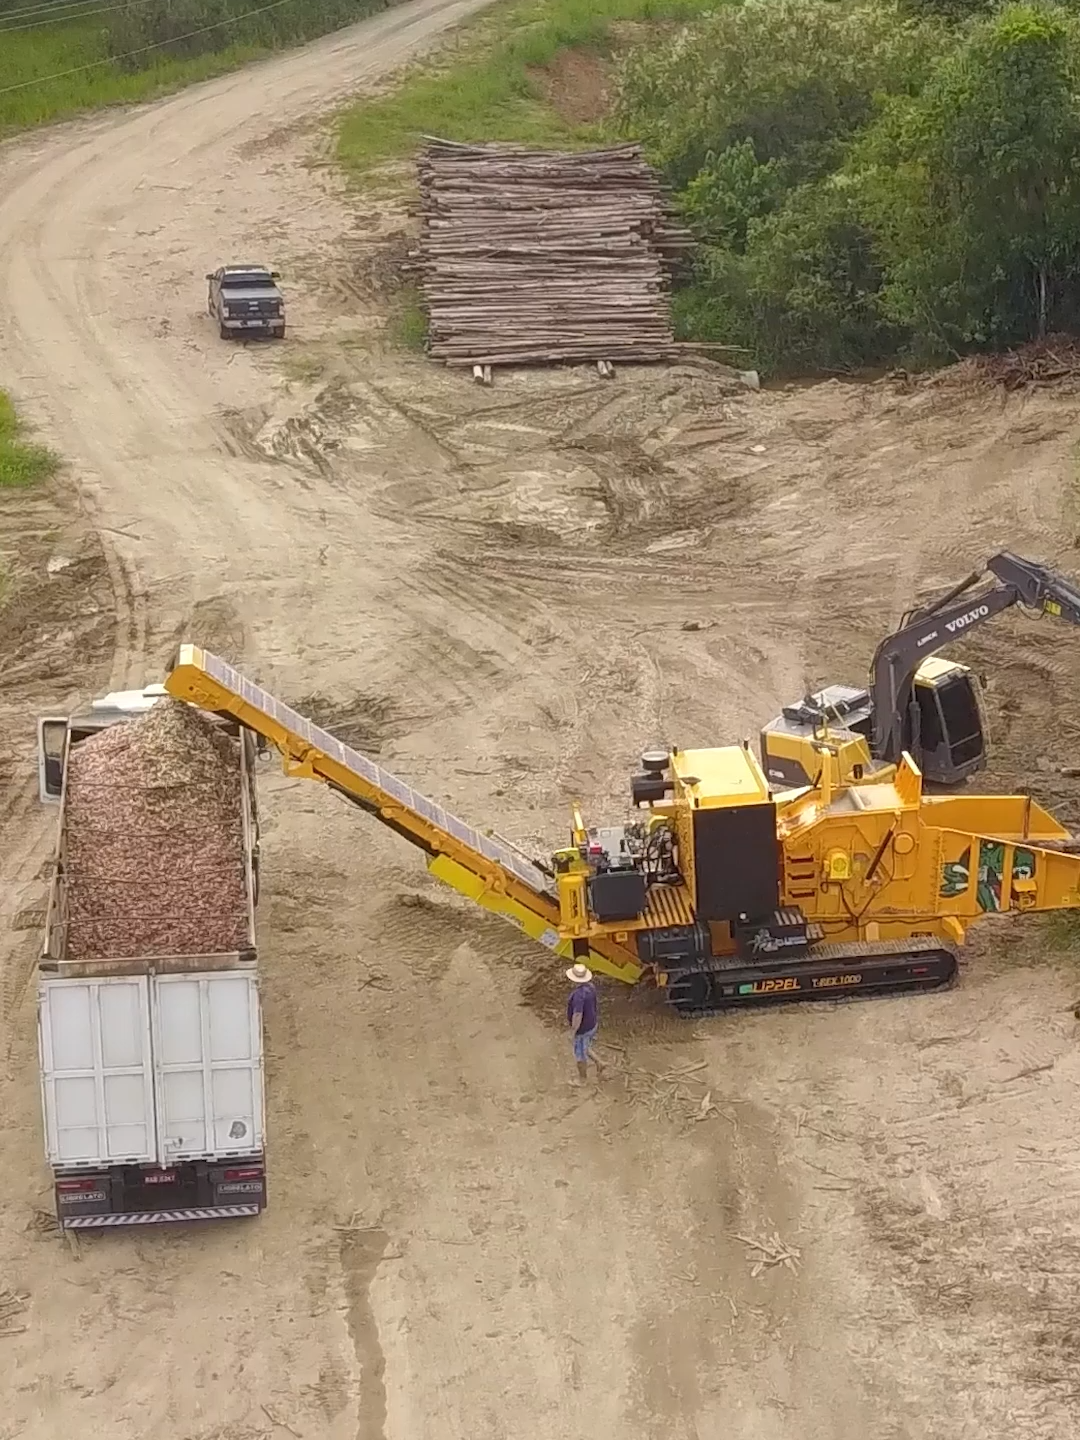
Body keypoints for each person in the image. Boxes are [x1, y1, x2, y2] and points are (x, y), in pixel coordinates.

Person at [566, 961, 601, 1084]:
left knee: (580, 1054)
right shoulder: (591, 987)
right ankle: (600, 1063)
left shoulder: (578, 995)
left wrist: (573, 1031)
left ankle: (582, 1080)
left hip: (583, 1028)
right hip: (592, 1024)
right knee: (586, 1046)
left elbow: (577, 1015)